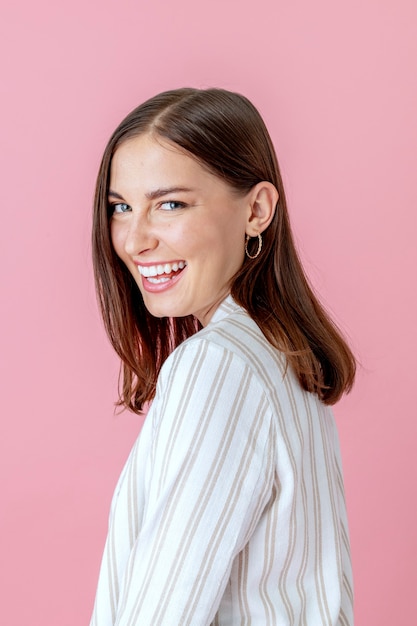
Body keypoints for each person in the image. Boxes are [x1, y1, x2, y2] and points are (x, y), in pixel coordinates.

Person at [89, 87, 356, 626]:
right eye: (121, 207)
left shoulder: (219, 366)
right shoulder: (279, 357)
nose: (135, 239)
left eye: (170, 203)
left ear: (256, 210)